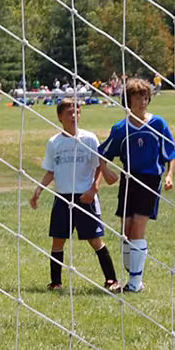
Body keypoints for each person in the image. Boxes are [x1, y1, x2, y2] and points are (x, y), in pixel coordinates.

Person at [30, 99, 121, 292]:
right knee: (58, 240)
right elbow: (50, 171)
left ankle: (112, 280)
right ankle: (56, 282)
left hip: (85, 198)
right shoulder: (54, 142)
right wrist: (39, 190)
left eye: (77, 112)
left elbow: (99, 167)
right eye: (69, 112)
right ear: (60, 117)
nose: (74, 115)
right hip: (62, 198)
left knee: (95, 240)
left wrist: (93, 189)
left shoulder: (89, 139)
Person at [97, 77, 175, 293]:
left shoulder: (158, 124)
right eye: (136, 96)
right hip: (129, 179)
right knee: (126, 230)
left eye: (144, 96)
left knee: (138, 229)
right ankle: (131, 275)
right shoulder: (120, 128)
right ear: (128, 100)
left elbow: (171, 152)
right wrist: (105, 171)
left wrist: (169, 175)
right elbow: (102, 153)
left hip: (150, 180)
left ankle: (135, 283)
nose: (141, 101)